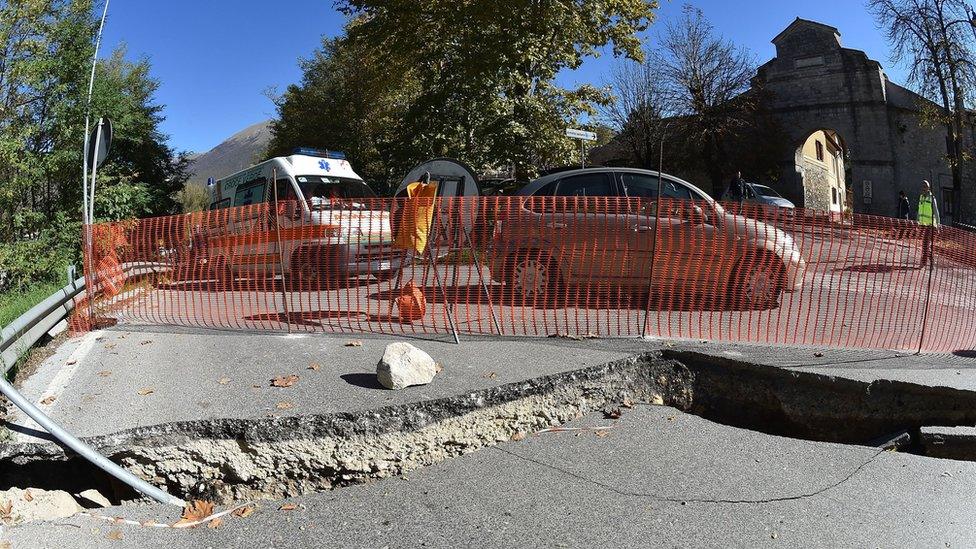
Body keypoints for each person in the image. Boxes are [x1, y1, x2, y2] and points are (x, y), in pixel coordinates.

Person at [917, 180, 940, 269]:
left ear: (928, 188)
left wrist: (938, 225)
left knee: (925, 244)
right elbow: (919, 211)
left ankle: (923, 263)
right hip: (923, 225)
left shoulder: (932, 198)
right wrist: (917, 222)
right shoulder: (921, 197)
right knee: (926, 245)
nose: (923, 188)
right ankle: (932, 263)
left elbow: (936, 212)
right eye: (922, 186)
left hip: (930, 225)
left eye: (925, 186)